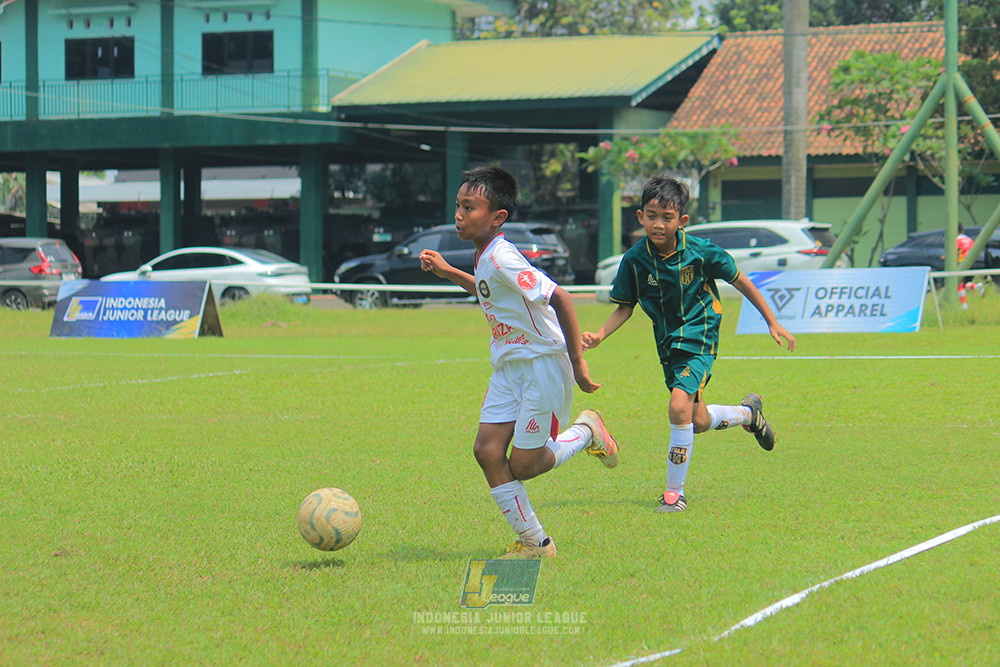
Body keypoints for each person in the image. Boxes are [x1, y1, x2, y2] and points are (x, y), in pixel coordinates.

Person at [420, 165, 618, 559]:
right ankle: (535, 543)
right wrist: (449, 272)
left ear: (498, 217)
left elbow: (561, 298)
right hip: (509, 367)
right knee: (487, 451)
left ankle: (586, 431)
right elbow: (488, 290)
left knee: (525, 465)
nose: (458, 215)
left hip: (542, 366)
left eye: (469, 208)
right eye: (458, 206)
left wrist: (578, 364)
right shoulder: (484, 255)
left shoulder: (502, 256)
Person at [581, 176, 795, 514]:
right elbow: (625, 307)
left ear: (681, 221)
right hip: (669, 344)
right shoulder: (634, 260)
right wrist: (600, 335)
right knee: (697, 420)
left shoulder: (700, 251)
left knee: (678, 406)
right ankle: (748, 414)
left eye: (667, 217)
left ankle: (674, 494)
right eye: (652, 216)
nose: (658, 224)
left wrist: (771, 320)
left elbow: (741, 280)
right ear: (640, 217)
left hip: (700, 334)